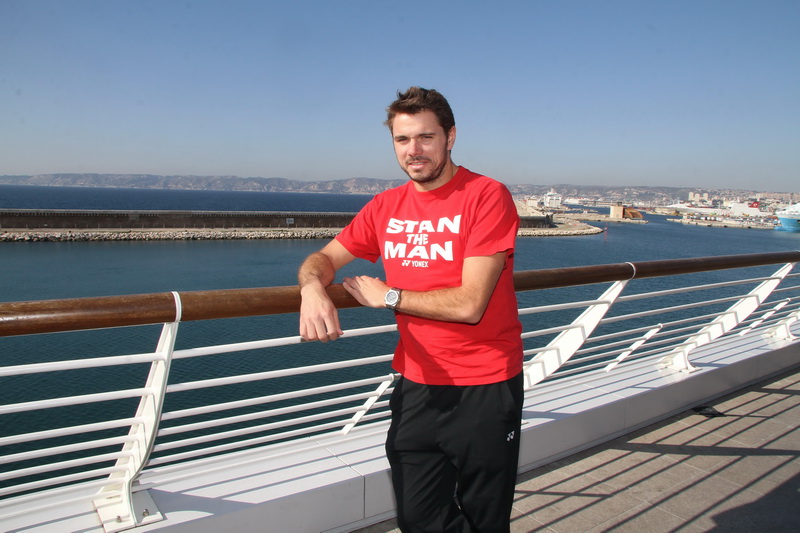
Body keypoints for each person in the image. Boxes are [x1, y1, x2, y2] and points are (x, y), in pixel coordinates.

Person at [298, 86, 523, 533]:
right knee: (418, 517)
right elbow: (323, 259)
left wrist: (389, 296)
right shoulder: (386, 206)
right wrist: (311, 288)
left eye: (425, 137)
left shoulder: (485, 196)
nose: (413, 151)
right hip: (417, 382)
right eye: (402, 140)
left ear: (450, 137)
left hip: (484, 383)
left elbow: (470, 304)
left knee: (485, 518)